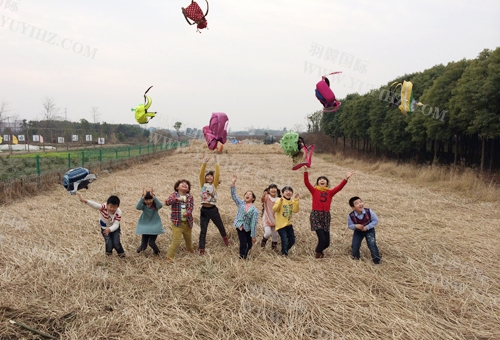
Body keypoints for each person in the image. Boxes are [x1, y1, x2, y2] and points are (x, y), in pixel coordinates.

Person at [304, 168, 355, 258]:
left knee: (327, 243)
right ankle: (318, 254)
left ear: (327, 183)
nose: (322, 180)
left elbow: (339, 188)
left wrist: (346, 178)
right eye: (320, 179)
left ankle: (318, 250)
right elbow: (307, 182)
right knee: (322, 239)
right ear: (317, 183)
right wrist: (305, 171)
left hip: (326, 217)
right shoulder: (314, 191)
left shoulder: (330, 193)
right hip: (316, 215)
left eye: (324, 179)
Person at [76, 192, 125, 257]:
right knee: (109, 242)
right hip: (104, 228)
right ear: (107, 205)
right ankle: (108, 254)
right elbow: (95, 205)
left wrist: (110, 229)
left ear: (118, 207)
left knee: (116, 242)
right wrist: (85, 201)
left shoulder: (118, 212)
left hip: (114, 228)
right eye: (110, 206)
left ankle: (121, 254)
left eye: (114, 207)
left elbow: (116, 224)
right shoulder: (103, 207)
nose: (112, 209)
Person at [199, 155, 229, 255]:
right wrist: (204, 162)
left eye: (211, 176)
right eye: (207, 175)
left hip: (213, 210)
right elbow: (201, 174)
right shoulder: (203, 184)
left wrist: (217, 162)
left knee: (220, 226)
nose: (209, 177)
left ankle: (225, 238)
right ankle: (201, 249)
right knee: (203, 230)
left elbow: (217, 175)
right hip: (204, 210)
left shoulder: (214, 185)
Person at [164, 180, 194, 261]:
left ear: (188, 189)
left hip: (187, 223)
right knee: (176, 240)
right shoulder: (173, 195)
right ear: (177, 187)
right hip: (177, 223)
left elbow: (191, 207)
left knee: (188, 238)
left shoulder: (190, 197)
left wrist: (187, 213)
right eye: (182, 183)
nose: (184, 184)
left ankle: (189, 249)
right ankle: (170, 256)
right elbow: (167, 202)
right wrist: (177, 199)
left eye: (186, 184)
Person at [230, 175, 259, 259]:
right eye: (246, 193)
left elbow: (253, 223)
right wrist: (233, 184)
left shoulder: (255, 210)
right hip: (240, 226)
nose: (247, 194)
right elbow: (234, 196)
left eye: (250, 194)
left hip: (248, 228)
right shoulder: (241, 203)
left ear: (253, 198)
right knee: (243, 243)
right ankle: (242, 258)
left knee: (249, 244)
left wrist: (253, 236)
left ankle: (245, 255)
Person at [347, 196, 381, 264]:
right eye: (356, 203)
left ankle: (376, 260)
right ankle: (356, 259)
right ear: (353, 207)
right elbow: (350, 225)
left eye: (360, 202)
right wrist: (355, 226)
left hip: (369, 230)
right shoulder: (350, 216)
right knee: (355, 245)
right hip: (358, 232)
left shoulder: (369, 211)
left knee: (372, 245)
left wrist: (367, 227)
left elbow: (375, 220)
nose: (360, 204)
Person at [135, 187, 165, 256]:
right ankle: (137, 253)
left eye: (150, 199)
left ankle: (157, 253)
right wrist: (142, 197)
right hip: (145, 227)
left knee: (151, 243)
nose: (148, 201)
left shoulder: (155, 207)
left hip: (154, 227)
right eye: (146, 200)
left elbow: (160, 205)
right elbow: (137, 207)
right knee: (143, 246)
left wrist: (154, 197)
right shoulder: (144, 207)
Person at [272, 186, 299, 257]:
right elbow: (275, 209)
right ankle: (284, 254)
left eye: (290, 191)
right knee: (285, 240)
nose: (288, 192)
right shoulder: (279, 200)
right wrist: (280, 202)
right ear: (283, 193)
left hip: (289, 225)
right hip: (281, 225)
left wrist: (296, 201)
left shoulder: (292, 201)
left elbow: (295, 210)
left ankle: (284, 250)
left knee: (292, 240)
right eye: (286, 191)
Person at [260, 184, 281, 250]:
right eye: (271, 188)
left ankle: (274, 248)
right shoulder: (267, 197)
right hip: (267, 218)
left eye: (275, 188)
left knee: (275, 234)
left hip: (275, 220)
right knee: (268, 233)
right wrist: (264, 194)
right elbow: (262, 199)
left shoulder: (279, 199)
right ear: (268, 190)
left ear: (277, 190)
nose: (273, 189)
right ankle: (263, 242)